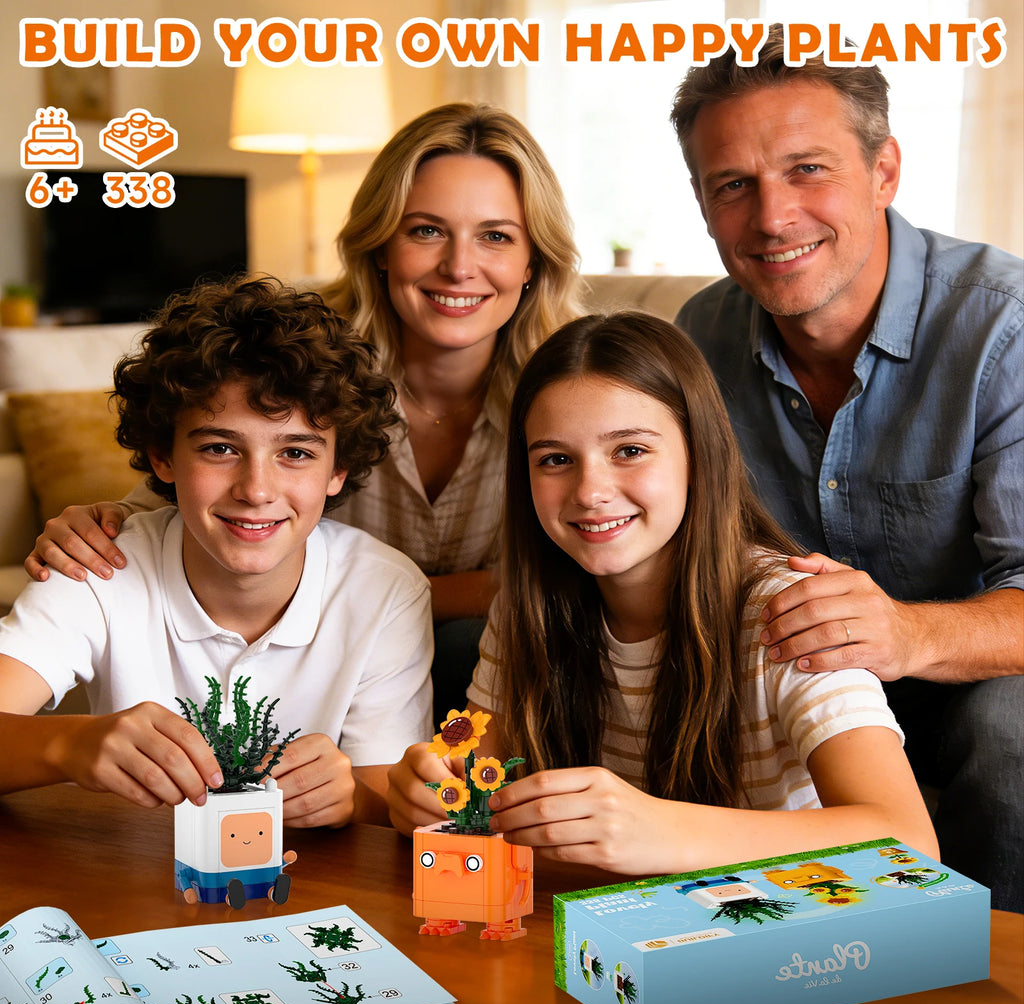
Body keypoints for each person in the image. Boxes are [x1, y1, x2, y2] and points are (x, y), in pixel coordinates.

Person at [24, 103, 582, 721]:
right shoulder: (307, 359)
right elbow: (185, 488)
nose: (458, 265)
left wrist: (397, 599)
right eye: (425, 230)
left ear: (533, 260)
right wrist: (94, 529)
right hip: (311, 674)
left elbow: (572, 580)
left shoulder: (572, 388)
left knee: (465, 644)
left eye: (495, 236)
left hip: (486, 667)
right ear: (381, 247)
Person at [670, 27, 1023, 910]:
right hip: (790, 676)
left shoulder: (1004, 330)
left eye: (807, 170)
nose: (773, 216)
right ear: (703, 204)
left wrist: (907, 634)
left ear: (885, 170)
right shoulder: (695, 341)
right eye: (733, 186)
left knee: (1012, 729)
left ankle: (980, 986)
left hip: (969, 681)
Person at [387, 312, 938, 873]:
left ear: (699, 456)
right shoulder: (527, 606)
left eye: (629, 450)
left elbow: (909, 841)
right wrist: (428, 791)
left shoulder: (790, 611)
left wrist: (662, 827)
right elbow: (474, 776)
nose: (591, 491)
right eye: (555, 459)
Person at [0, 276, 433, 829]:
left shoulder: (386, 591)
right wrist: (69, 743)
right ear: (162, 456)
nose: (256, 489)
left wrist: (350, 799)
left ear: (338, 470)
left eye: (296, 452)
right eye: (220, 448)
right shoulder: (96, 566)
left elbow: (392, 813)